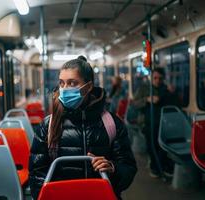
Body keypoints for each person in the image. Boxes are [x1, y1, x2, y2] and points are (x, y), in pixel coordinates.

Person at [29, 56, 137, 200]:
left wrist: (112, 168)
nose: (64, 89)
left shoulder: (111, 123)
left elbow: (128, 168)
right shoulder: (48, 126)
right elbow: (37, 174)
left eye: (72, 83)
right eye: (61, 83)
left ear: (88, 87)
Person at [133, 68, 175, 177]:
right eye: (155, 78)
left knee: (163, 144)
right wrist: (146, 99)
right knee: (152, 143)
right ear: (151, 78)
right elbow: (134, 104)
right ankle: (155, 167)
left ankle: (162, 165)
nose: (157, 80)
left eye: (160, 78)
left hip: (163, 122)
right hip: (147, 121)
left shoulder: (165, 89)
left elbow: (174, 104)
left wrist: (172, 93)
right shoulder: (143, 88)